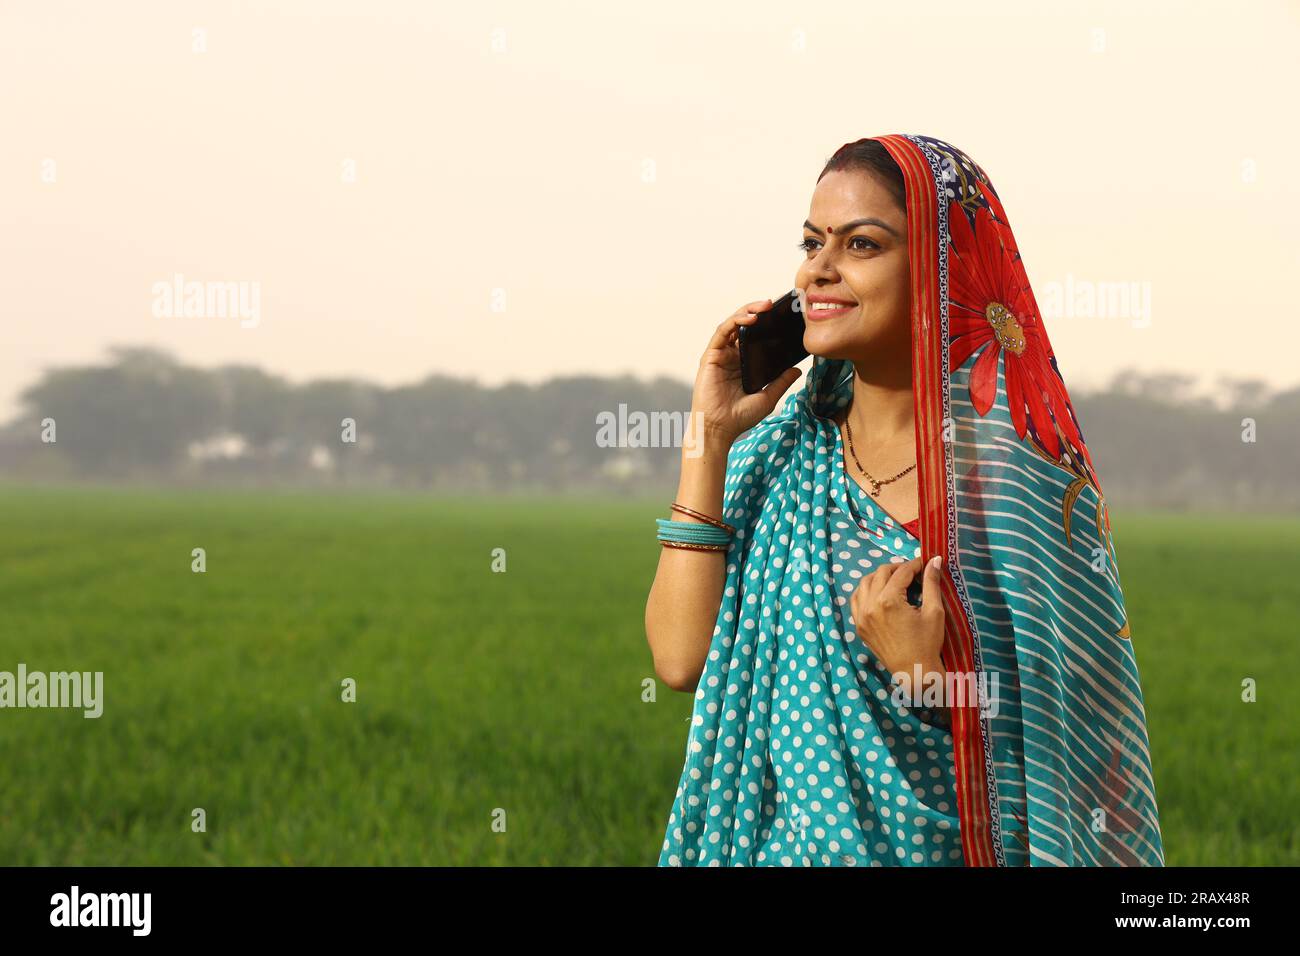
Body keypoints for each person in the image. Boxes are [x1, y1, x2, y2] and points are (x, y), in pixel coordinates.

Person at [644, 134, 1164, 867]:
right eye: (811, 241)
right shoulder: (780, 456)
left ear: (941, 270)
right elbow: (678, 659)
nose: (817, 271)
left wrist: (927, 681)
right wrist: (710, 439)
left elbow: (1066, 741)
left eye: (861, 245)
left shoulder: (1017, 487)